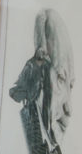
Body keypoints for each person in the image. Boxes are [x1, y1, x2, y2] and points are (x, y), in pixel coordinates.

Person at [9, 8, 75, 154]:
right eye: (61, 79)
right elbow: (14, 92)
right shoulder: (27, 135)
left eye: (71, 85)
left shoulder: (54, 147)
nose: (69, 109)